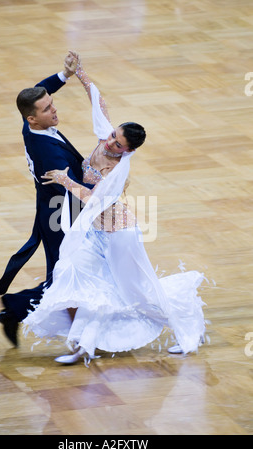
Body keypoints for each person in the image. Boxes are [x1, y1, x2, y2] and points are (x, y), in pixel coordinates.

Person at [23, 52, 206, 363]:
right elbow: (99, 103)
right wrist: (78, 73)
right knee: (93, 285)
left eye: (119, 145)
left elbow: (93, 200)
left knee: (136, 293)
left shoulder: (116, 172)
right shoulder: (105, 137)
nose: (110, 144)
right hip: (98, 233)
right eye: (112, 136)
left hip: (121, 235)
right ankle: (83, 346)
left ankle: (188, 327)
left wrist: (65, 180)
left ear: (128, 151)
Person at [0, 52, 93, 347]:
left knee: (68, 274)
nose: (54, 111)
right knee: (64, 278)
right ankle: (16, 309)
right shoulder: (48, 153)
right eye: (47, 110)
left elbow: (37, 91)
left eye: (52, 104)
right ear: (32, 118)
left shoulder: (31, 124)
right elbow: (73, 189)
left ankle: (17, 308)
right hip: (61, 216)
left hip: (54, 208)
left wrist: (64, 75)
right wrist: (104, 177)